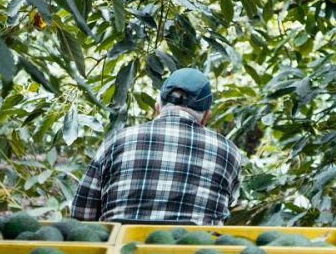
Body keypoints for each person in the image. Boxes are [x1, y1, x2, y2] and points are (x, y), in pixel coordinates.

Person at [71, 68, 242, 224]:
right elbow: (224, 209)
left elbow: (82, 215)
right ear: (206, 117)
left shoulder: (116, 141)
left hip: (120, 251)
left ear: (157, 108)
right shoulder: (229, 153)